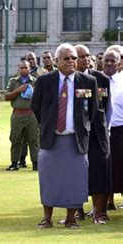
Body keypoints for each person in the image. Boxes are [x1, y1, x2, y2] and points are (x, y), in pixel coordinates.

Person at [31, 43, 98, 229]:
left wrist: (82, 128)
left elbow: (92, 110)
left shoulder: (88, 81)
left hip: (75, 140)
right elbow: (36, 107)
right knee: (49, 179)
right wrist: (47, 125)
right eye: (66, 58)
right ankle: (47, 218)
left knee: (75, 180)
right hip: (51, 139)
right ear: (57, 61)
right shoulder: (45, 81)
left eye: (74, 58)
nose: (71, 61)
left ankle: (71, 218)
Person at [73, 45, 112, 224]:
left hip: (97, 131)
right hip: (74, 131)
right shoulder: (67, 80)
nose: (85, 59)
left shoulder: (100, 78)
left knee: (99, 171)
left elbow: (102, 104)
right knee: (75, 171)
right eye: (81, 56)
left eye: (87, 55)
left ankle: (99, 212)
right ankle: (76, 212)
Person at [4, 61, 39, 171]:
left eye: (26, 68)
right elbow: (7, 97)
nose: (24, 69)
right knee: (15, 139)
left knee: (34, 140)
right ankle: (14, 163)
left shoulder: (35, 81)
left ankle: (36, 163)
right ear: (18, 69)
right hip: (17, 114)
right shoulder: (13, 81)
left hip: (31, 114)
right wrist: (18, 90)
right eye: (22, 68)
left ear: (30, 69)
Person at [106, 49, 123, 211]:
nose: (110, 63)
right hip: (103, 133)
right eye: (107, 60)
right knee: (106, 167)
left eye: (113, 61)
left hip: (121, 130)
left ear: (119, 64)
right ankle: (107, 202)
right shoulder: (96, 80)